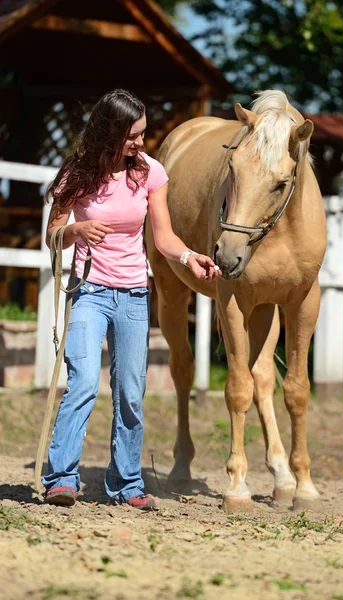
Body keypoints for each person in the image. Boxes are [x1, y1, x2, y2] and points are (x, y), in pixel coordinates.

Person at [42, 89, 221, 510]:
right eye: (133, 135)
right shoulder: (78, 173)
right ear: (110, 132)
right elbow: (52, 234)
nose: (140, 143)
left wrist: (189, 256)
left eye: (142, 134)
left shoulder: (149, 173)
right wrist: (75, 232)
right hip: (89, 292)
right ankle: (60, 480)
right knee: (83, 383)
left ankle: (125, 485)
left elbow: (163, 236)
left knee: (130, 393)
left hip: (134, 296)